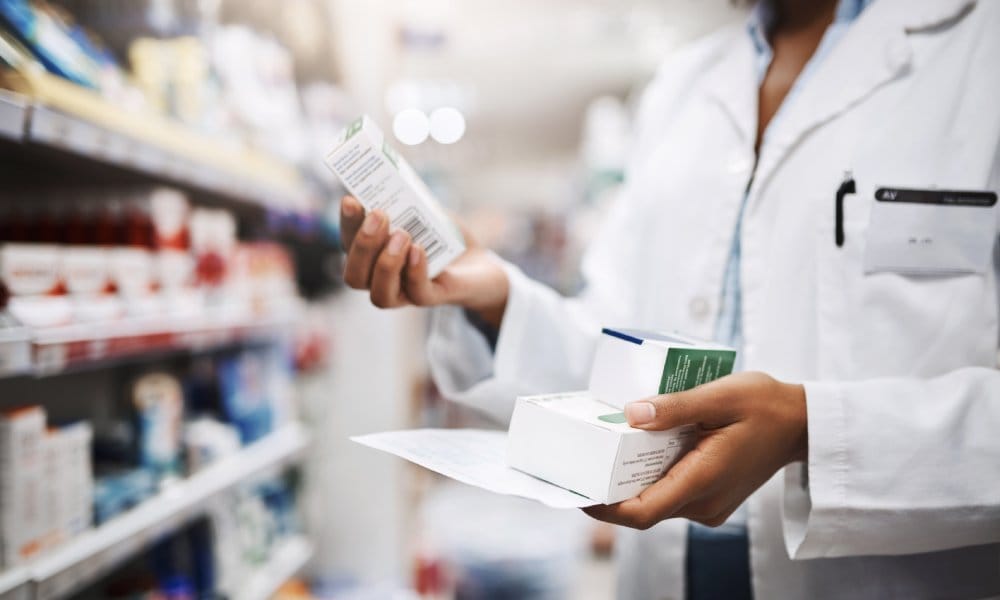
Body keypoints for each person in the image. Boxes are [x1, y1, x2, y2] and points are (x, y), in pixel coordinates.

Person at [338, 0, 1000, 597]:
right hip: (666, 570)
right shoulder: (680, 89)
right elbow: (618, 347)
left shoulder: (979, 48)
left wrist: (812, 430)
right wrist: (497, 303)